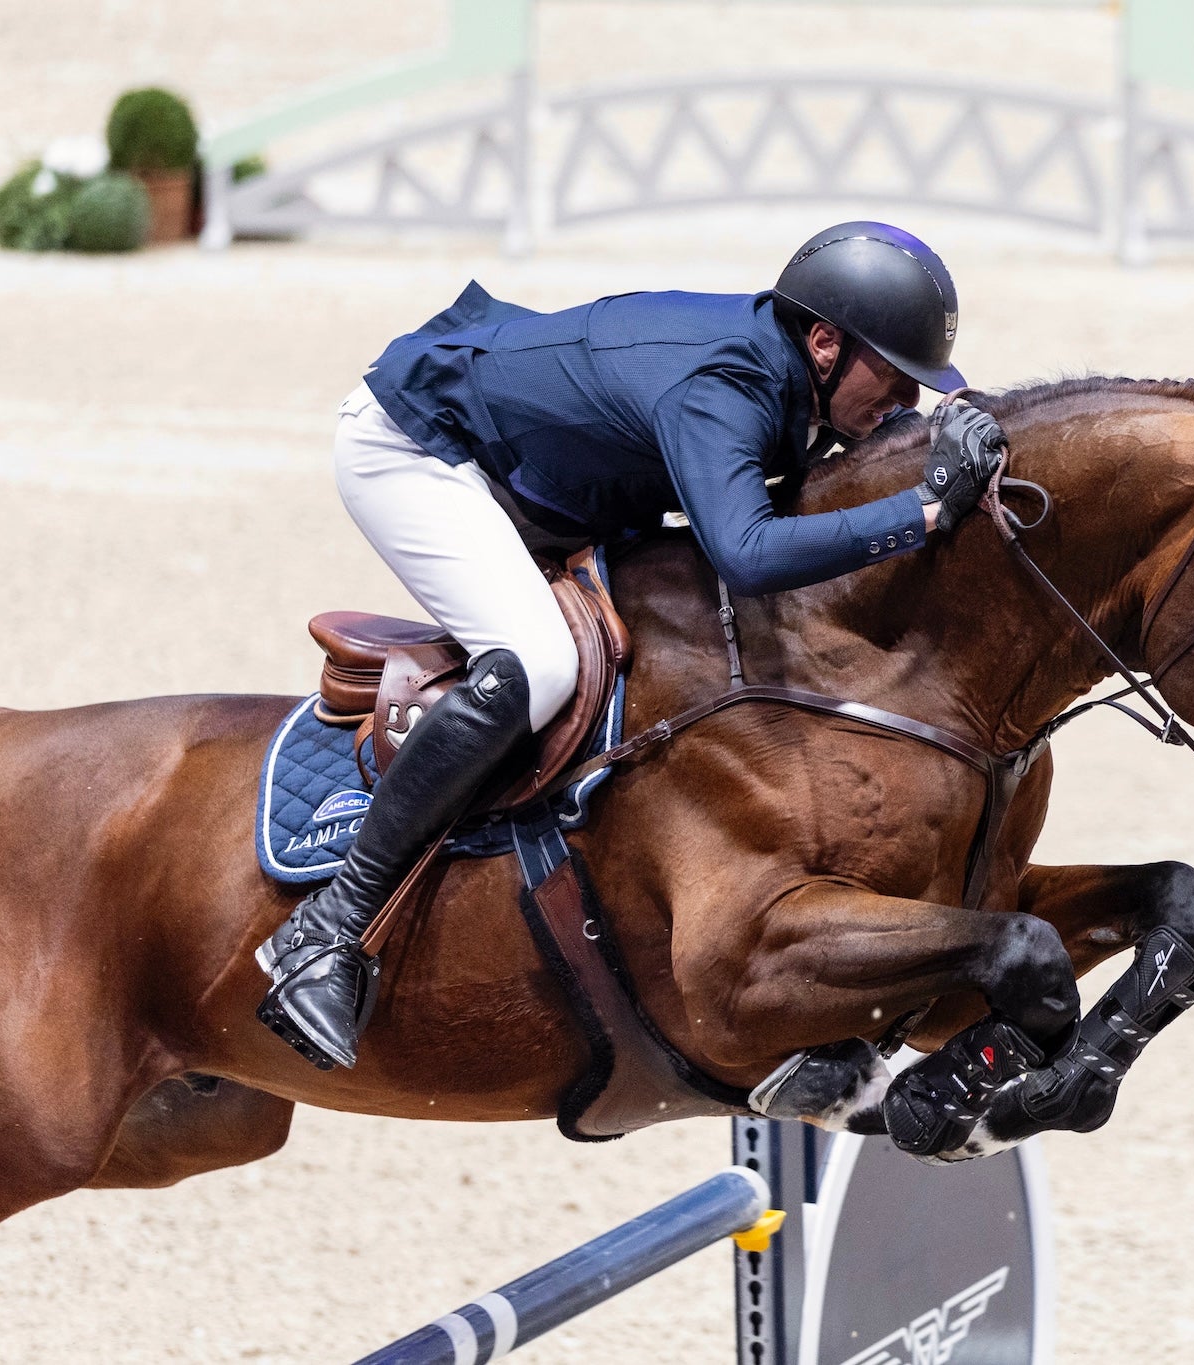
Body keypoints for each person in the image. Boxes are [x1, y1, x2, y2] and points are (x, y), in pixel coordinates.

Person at [256, 221, 1008, 1071]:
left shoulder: (795, 374)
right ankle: (326, 928)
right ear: (824, 342)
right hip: (417, 450)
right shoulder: (723, 387)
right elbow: (749, 553)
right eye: (897, 379)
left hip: (543, 471)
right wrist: (922, 512)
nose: (904, 406)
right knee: (539, 665)